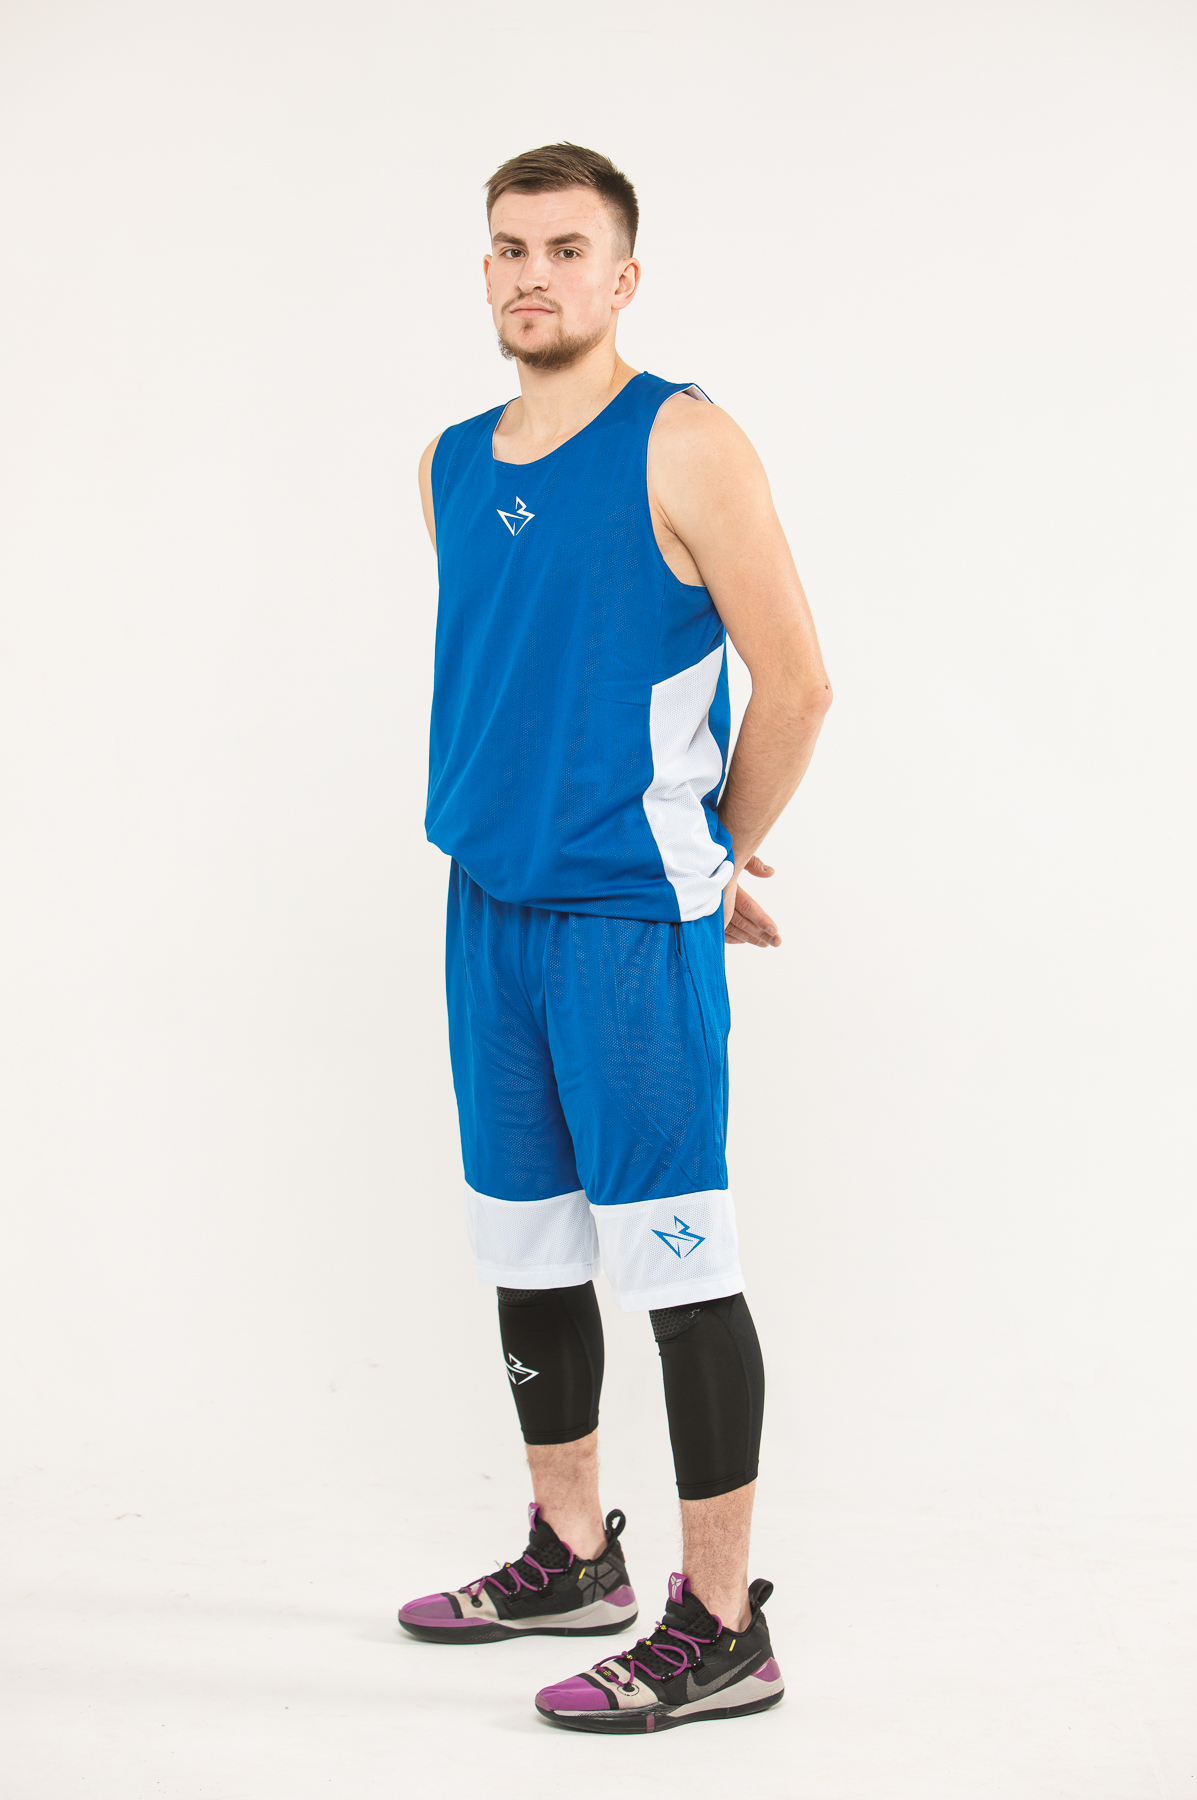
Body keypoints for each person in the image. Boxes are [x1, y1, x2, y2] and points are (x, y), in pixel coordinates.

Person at [398, 143, 831, 1734]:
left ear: (623, 276)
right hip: (487, 910)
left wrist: (705, 853)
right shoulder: (449, 462)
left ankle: (720, 1624)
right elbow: (533, 678)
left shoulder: (684, 440)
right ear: (487, 272)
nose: (536, 275)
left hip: (623, 928)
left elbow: (798, 686)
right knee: (525, 1249)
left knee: (679, 1262)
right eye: (511, 249)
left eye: (568, 249)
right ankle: (570, 1554)